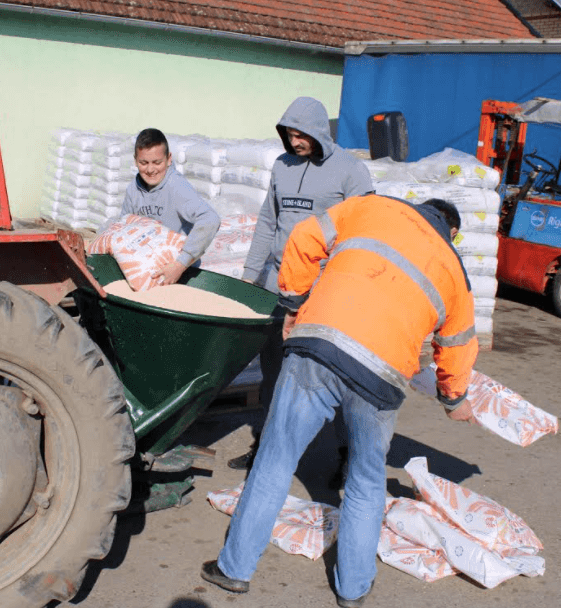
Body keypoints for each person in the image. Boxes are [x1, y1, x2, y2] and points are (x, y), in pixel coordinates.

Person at [201, 196, 478, 607]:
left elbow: (303, 236)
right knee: (366, 482)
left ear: (420, 207)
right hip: (381, 377)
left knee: (276, 459)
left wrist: (293, 304)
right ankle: (353, 590)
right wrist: (455, 399)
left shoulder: (374, 207)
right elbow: (457, 345)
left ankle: (234, 569)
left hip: (319, 345)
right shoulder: (456, 273)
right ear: (451, 233)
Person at [230, 96, 373, 471]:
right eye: (290, 135)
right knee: (274, 369)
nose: (295, 142)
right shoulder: (282, 166)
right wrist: (250, 275)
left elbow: (365, 228)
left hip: (327, 292)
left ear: (318, 131)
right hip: (280, 287)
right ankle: (265, 446)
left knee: (335, 372)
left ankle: (347, 457)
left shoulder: (350, 171)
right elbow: (267, 222)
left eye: (301, 135)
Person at [120, 128, 220, 285]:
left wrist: (181, 263)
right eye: (144, 163)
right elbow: (124, 227)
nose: (151, 169)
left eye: (157, 162)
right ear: (135, 160)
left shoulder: (176, 186)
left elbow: (210, 219)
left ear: (168, 159)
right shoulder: (133, 189)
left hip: (177, 273)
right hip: (145, 269)